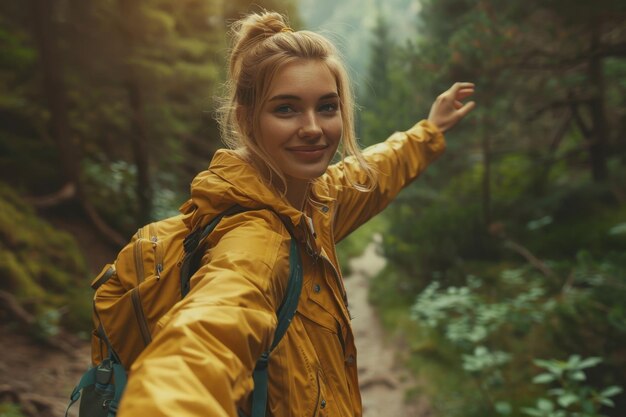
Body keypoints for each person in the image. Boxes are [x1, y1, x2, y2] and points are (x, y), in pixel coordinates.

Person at [116, 10, 475, 417]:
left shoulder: (313, 201)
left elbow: (373, 171)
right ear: (246, 119)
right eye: (286, 109)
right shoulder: (254, 239)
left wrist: (430, 131)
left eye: (326, 107)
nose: (313, 128)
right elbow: (205, 342)